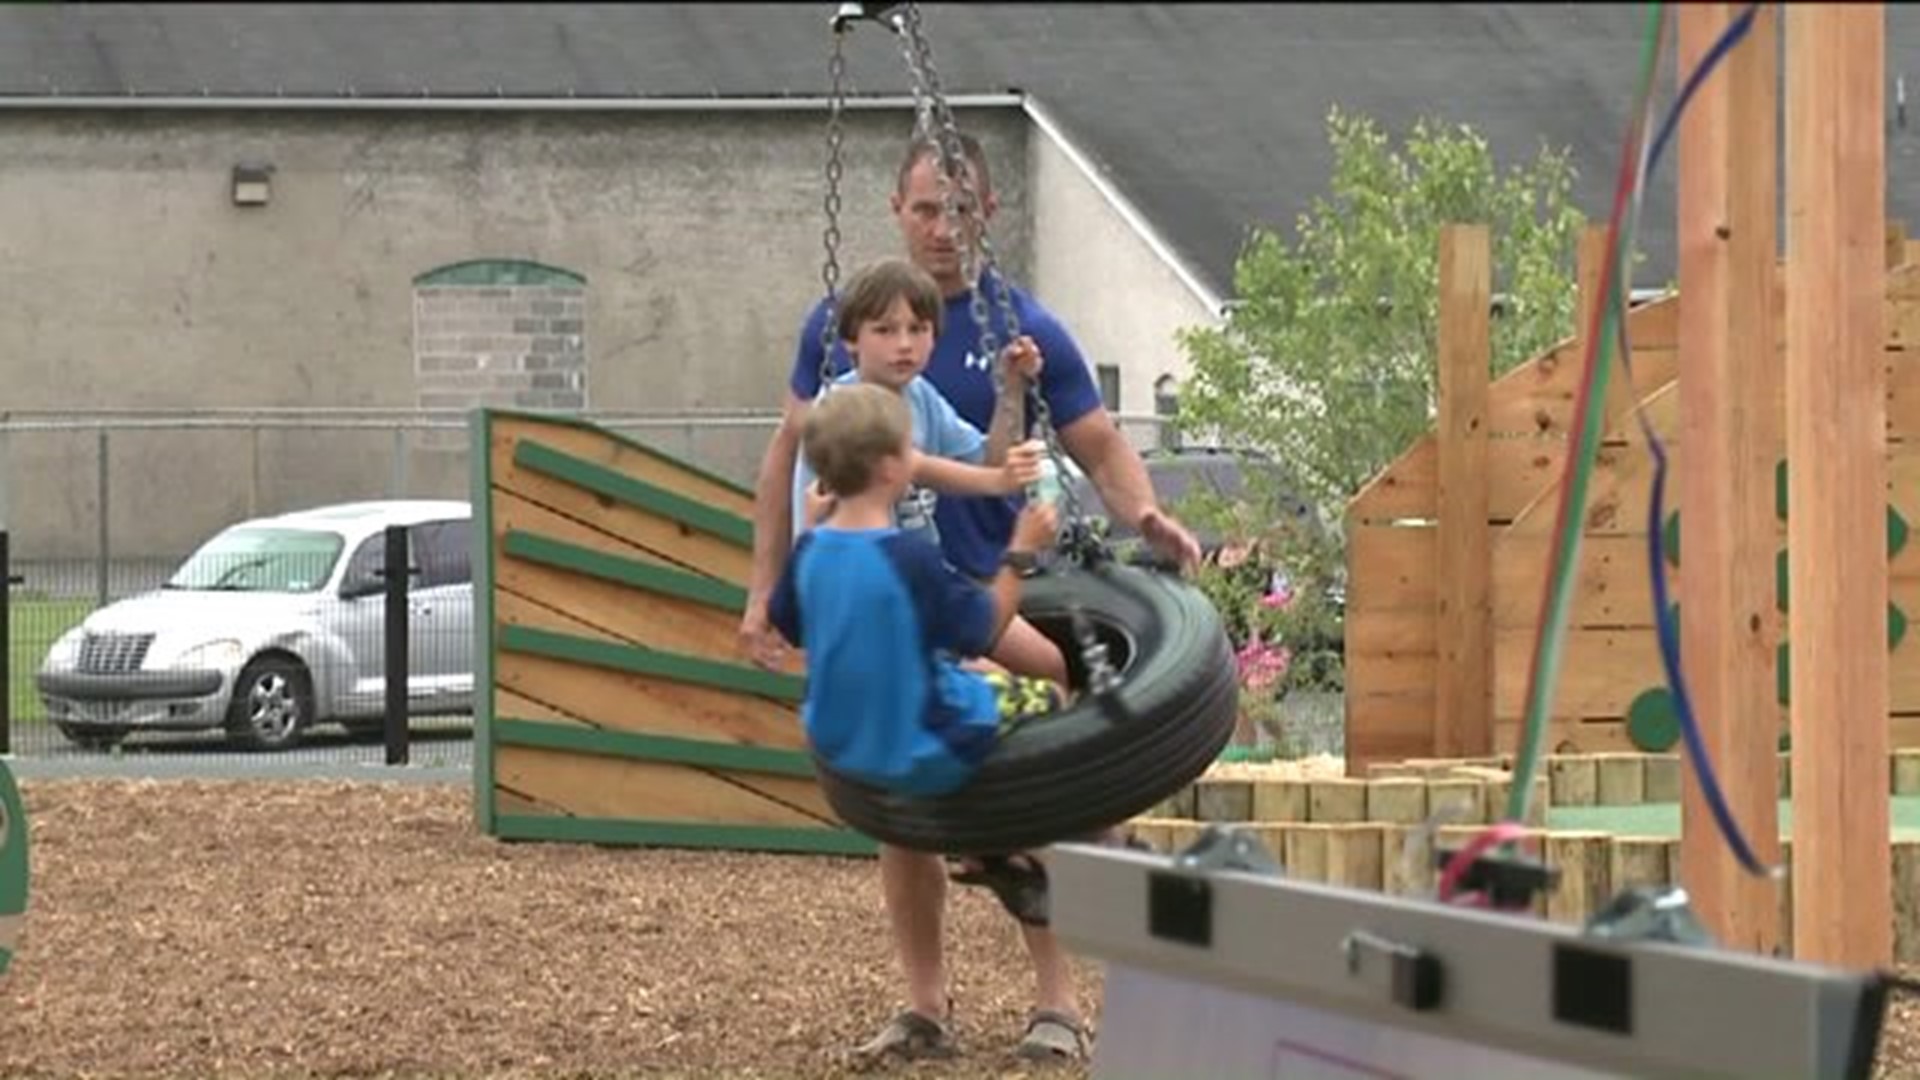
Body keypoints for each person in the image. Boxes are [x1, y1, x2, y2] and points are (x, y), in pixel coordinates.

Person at [740, 131, 1204, 1066]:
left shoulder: (1013, 327)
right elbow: (787, 452)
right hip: (914, 604)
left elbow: (1091, 447)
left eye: (958, 210)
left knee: (1045, 736)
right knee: (910, 805)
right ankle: (926, 1002)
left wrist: (1146, 514)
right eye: (924, 210)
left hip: (971, 591)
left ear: (986, 212)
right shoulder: (837, 332)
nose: (942, 229)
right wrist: (766, 593)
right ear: (896, 212)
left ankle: (1058, 998)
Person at [792, 255, 1073, 700]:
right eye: (885, 330)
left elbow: (987, 460)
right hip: (883, 602)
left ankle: (1062, 762)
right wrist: (1003, 489)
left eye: (918, 329)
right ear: (852, 342)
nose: (904, 344)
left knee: (1050, 663)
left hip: (929, 578)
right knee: (994, 682)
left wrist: (1011, 388)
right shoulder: (838, 414)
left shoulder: (921, 398)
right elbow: (919, 467)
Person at [768, 381, 1061, 799]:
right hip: (924, 747)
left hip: (838, 748)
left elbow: (789, 624)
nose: (917, 460)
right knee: (1050, 697)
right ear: (889, 467)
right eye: (911, 450)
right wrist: (1021, 550)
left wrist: (812, 527)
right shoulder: (908, 559)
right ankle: (1014, 838)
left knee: (963, 674)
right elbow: (985, 629)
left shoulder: (810, 550)